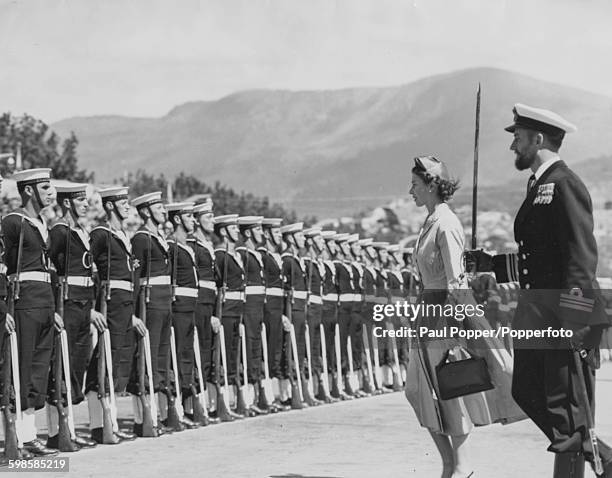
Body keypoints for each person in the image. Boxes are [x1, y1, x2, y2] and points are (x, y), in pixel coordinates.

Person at [468, 104, 612, 478]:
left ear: (539, 138)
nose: (514, 146)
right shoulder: (539, 185)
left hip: (564, 318)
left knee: (567, 417)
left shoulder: (566, 184)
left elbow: (579, 260)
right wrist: (490, 264)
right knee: (528, 392)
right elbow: (538, 260)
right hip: (538, 316)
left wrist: (575, 323)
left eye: (517, 138)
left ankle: (596, 456)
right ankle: (604, 457)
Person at [405, 156, 519, 478]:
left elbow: (456, 281)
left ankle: (460, 466)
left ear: (430, 185)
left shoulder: (446, 223)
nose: (410, 191)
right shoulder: (430, 221)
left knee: (447, 387)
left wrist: (456, 326)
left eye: (415, 185)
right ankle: (451, 463)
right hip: (427, 310)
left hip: (443, 312)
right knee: (419, 390)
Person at [2, 168, 61, 456]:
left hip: (45, 301)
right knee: (21, 369)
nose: (51, 193)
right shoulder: (13, 222)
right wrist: (4, 309)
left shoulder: (40, 223)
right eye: (46, 187)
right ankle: (15, 439)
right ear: (28, 190)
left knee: (38, 371)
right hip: (23, 301)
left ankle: (29, 437)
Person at [47, 183, 101, 450]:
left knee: (77, 365)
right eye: (80, 200)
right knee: (62, 366)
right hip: (66, 305)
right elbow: (49, 268)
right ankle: (57, 431)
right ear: (67, 203)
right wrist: (54, 309)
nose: (85, 204)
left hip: (83, 306)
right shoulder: (59, 231)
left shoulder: (82, 232)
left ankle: (67, 428)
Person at [86, 186, 141, 444]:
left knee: (118, 359)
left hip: (124, 302)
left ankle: (112, 423)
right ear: (110, 206)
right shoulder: (100, 234)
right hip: (110, 301)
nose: (127, 206)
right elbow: (86, 269)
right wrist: (91, 307)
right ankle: (100, 425)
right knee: (104, 360)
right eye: (122, 202)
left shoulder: (123, 235)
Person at [128, 191, 173, 436]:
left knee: (161, 360)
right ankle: (143, 417)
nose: (164, 211)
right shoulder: (142, 239)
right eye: (159, 208)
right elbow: (135, 279)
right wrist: (134, 314)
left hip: (164, 303)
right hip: (149, 302)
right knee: (147, 358)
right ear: (145, 212)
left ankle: (159, 413)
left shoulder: (159, 237)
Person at [166, 202, 200, 429]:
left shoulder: (188, 247)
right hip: (178, 307)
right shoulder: (172, 246)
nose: (193, 220)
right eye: (188, 215)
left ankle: (186, 409)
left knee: (187, 357)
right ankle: (174, 409)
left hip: (191, 306)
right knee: (176, 357)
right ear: (177, 219)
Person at [236, 216, 270, 415]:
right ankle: (248, 398)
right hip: (248, 309)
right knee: (248, 350)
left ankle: (258, 396)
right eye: (258, 230)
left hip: (258, 308)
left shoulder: (256, 255)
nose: (262, 234)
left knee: (257, 350)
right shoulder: (244, 254)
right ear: (247, 233)